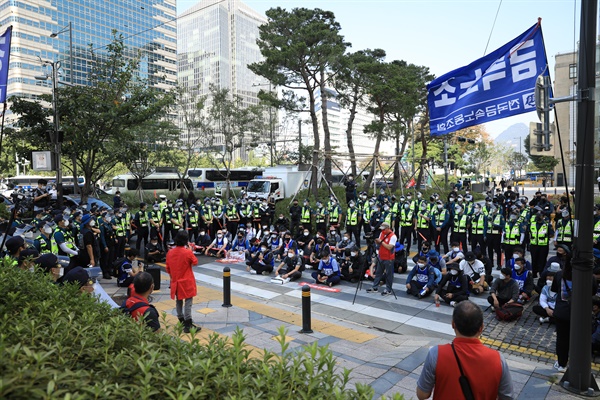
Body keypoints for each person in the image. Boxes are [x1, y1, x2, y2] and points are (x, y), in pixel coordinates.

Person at [416, 300, 513, 400]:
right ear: (481, 328)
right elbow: (507, 397)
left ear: (453, 324)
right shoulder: (498, 360)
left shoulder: (436, 354)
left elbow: (422, 394)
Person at [166, 230, 198, 333]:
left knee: (178, 300)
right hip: (187, 280)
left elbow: (168, 268)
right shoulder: (187, 252)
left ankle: (181, 319)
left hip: (175, 280)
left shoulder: (170, 252)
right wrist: (189, 249)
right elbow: (195, 262)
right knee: (188, 301)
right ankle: (188, 323)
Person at [366, 222, 397, 296]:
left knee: (389, 275)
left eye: (384, 229)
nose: (382, 231)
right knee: (378, 273)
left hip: (389, 258)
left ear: (387, 228)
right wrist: (377, 242)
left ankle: (388, 290)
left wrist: (381, 242)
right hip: (381, 256)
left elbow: (389, 247)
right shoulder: (381, 233)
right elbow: (379, 244)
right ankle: (375, 287)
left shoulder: (393, 236)